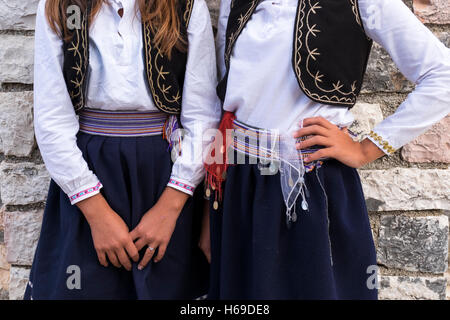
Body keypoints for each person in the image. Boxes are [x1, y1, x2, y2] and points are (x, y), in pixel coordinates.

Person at [204, 0, 450, 299]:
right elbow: (223, 98)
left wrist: (363, 149)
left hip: (313, 187)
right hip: (241, 185)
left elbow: (442, 76)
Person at [26, 0, 220, 299]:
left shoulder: (186, 6)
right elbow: (51, 118)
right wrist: (97, 213)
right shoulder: (60, 6)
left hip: (165, 176)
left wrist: (170, 206)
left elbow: (203, 114)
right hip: (91, 175)